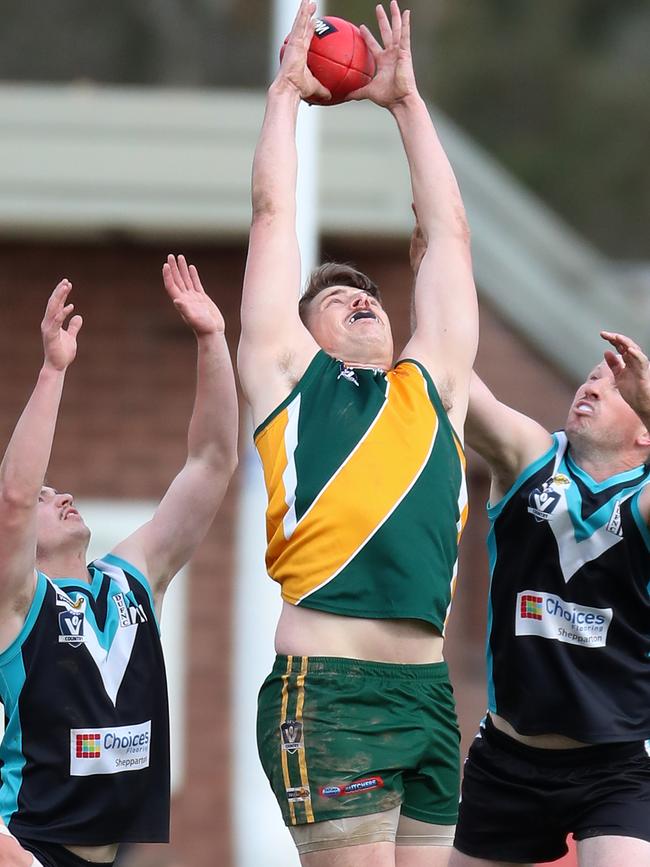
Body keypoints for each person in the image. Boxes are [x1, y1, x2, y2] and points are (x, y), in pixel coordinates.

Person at [237, 2, 479, 864]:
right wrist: (285, 96)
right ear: (304, 333)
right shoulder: (289, 382)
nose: (359, 296)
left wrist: (406, 104)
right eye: (334, 297)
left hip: (429, 700)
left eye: (367, 290)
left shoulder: (434, 391)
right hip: (328, 694)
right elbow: (272, 217)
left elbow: (449, 234)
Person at [0, 255, 238, 867]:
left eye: (60, 490)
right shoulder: (17, 604)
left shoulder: (131, 580)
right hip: (25, 848)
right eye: (50, 497)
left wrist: (212, 339)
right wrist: (54, 369)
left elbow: (212, 461)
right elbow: (16, 497)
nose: (62, 495)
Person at [443, 325, 650, 865]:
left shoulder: (643, 502)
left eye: (616, 388)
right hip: (508, 757)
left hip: (617, 765)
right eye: (591, 377)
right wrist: (441, 249)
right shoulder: (530, 457)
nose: (593, 387)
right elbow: (447, 377)